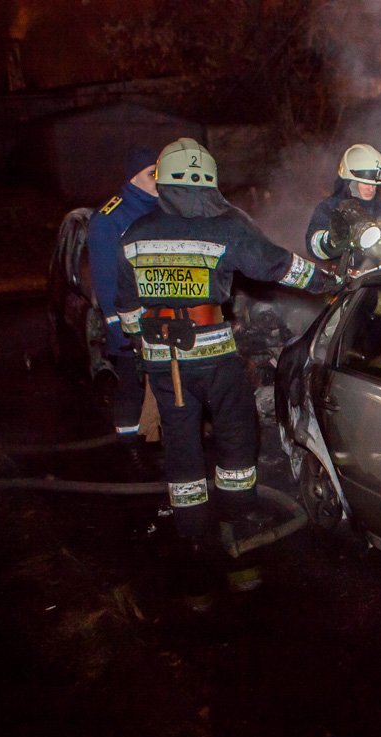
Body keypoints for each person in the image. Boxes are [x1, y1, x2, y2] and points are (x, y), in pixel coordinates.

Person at [115, 137, 342, 606]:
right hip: (213, 354)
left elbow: (127, 309)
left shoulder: (134, 233)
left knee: (182, 450)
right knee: (236, 435)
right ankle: (241, 526)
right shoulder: (227, 225)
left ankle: (194, 543)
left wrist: (145, 352)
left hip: (165, 362)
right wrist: (329, 282)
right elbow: (277, 265)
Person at [87, 146, 160, 469]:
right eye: (151, 173)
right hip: (130, 322)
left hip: (161, 319)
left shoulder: (163, 209)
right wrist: (119, 327)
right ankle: (130, 447)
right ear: (134, 177)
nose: (159, 179)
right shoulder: (109, 218)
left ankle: (157, 440)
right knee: (131, 385)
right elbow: (105, 279)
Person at [306, 143, 381, 275]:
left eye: (375, 184)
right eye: (366, 183)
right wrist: (334, 239)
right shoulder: (329, 208)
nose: (371, 189)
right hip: (340, 282)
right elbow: (313, 247)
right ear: (350, 182)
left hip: (370, 282)